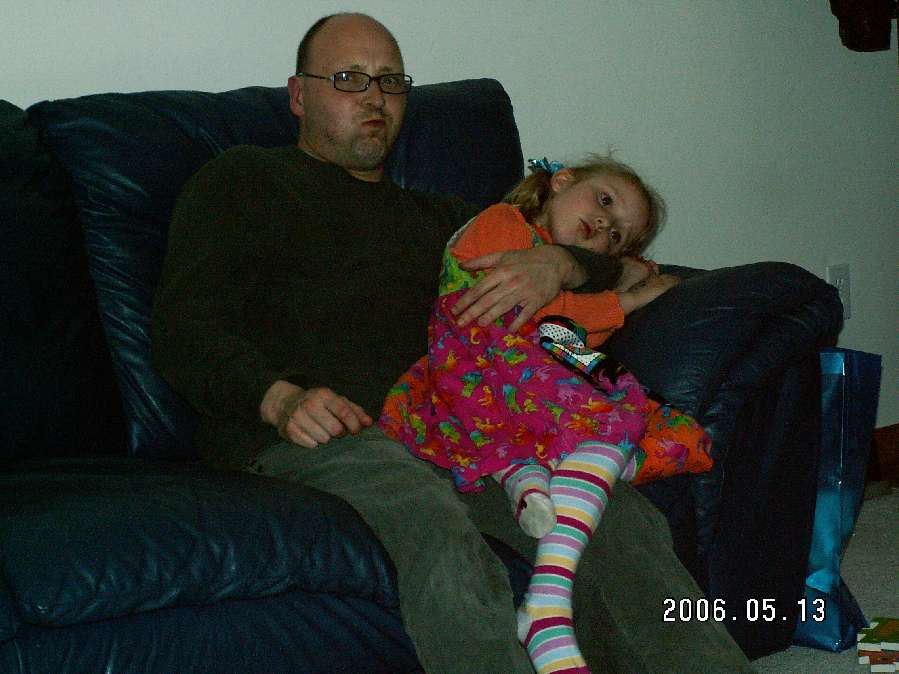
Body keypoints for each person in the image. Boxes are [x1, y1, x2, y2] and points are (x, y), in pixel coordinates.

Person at [152, 11, 754, 674]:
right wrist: (279, 399)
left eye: (390, 81)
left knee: (619, 519)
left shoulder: (451, 224)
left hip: (452, 427)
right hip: (322, 431)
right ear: (299, 95)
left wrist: (560, 263)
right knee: (434, 528)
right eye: (349, 79)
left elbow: (633, 270)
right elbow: (184, 328)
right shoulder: (244, 179)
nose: (375, 98)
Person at [380, 155, 712, 673]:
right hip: (479, 357)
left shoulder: (582, 279)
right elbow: (526, 311)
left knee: (656, 422)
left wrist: (626, 282)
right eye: (604, 201)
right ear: (561, 181)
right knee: (606, 422)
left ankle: (534, 479)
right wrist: (626, 302)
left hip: (541, 367)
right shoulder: (502, 223)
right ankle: (547, 607)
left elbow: (572, 330)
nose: (604, 224)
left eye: (617, 235)